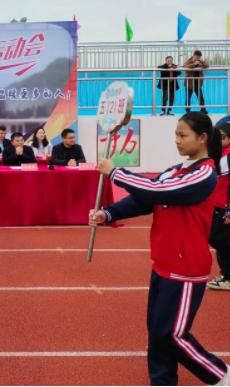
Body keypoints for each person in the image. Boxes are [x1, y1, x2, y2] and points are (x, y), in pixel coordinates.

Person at [90, 112, 229, 386]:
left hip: (186, 268)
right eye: (176, 134)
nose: (177, 140)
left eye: (183, 135)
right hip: (163, 263)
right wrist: (108, 213)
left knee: (171, 335)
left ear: (203, 138)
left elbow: (157, 191)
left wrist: (116, 173)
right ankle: (162, 381)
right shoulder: (174, 171)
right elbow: (144, 199)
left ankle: (221, 375)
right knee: (157, 331)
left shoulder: (204, 174)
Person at [208, 122, 230, 291]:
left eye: (221, 137)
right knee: (219, 240)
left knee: (218, 239)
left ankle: (228, 277)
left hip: (225, 207)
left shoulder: (227, 157)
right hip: (219, 204)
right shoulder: (220, 154)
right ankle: (226, 276)